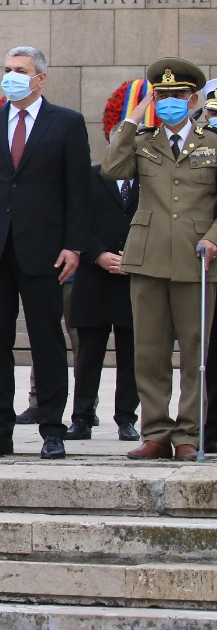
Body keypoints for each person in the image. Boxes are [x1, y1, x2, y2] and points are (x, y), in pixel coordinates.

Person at [0, 45, 90, 459]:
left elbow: (78, 191)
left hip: (45, 250)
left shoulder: (66, 123)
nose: (10, 76)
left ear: (40, 78)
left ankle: (52, 427)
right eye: (7, 69)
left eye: (20, 70)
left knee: (47, 340)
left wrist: (74, 244)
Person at [101, 58, 215, 460]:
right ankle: (155, 432)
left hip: (196, 258)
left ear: (193, 98)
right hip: (147, 257)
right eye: (162, 95)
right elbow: (113, 168)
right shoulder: (143, 139)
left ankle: (187, 435)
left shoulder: (212, 141)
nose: (170, 101)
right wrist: (132, 119)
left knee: (194, 352)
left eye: (177, 95)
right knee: (149, 351)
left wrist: (213, 238)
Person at [68, 132, 140, 443]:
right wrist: (97, 255)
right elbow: (76, 222)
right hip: (94, 277)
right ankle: (82, 417)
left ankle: (126, 418)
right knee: (89, 354)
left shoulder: (149, 181)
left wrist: (134, 257)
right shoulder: (90, 176)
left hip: (133, 278)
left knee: (132, 353)